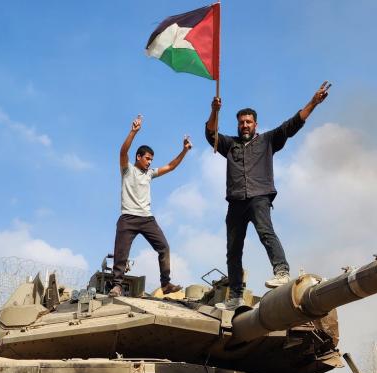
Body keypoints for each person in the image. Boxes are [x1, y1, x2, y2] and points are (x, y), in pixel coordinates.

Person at [205, 82, 332, 310]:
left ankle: (281, 271)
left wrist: (313, 103)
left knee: (266, 232)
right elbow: (210, 133)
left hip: (258, 196)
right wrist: (214, 110)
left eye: (248, 122)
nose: (245, 125)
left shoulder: (267, 141)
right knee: (233, 249)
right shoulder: (229, 144)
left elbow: (292, 125)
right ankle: (235, 296)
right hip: (235, 201)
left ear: (256, 124)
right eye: (241, 122)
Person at [111, 115, 190, 297]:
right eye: (147, 158)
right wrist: (134, 131)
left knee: (164, 247)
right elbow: (123, 152)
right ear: (138, 157)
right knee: (121, 253)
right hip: (128, 218)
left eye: (151, 160)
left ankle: (166, 284)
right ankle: (117, 285)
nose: (150, 162)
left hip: (147, 218)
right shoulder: (127, 169)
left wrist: (184, 150)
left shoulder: (150, 174)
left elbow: (170, 166)